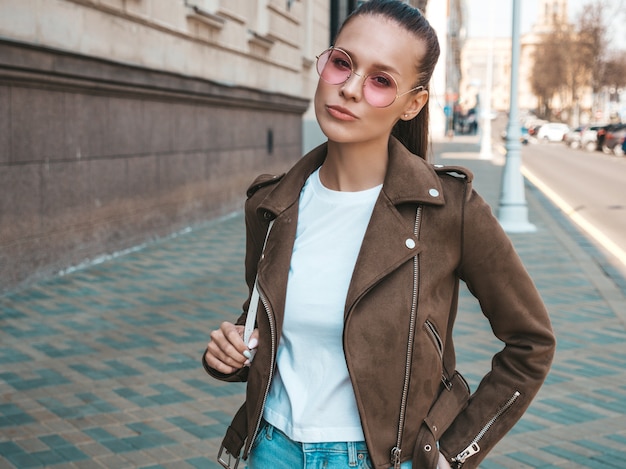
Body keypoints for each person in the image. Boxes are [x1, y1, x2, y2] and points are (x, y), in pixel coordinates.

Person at [202, 1, 556, 468]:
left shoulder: (448, 209)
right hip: (271, 448)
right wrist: (229, 354)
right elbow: (260, 323)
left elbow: (531, 343)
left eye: (380, 80)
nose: (349, 88)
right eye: (342, 63)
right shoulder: (270, 204)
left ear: (413, 104)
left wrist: (453, 453)